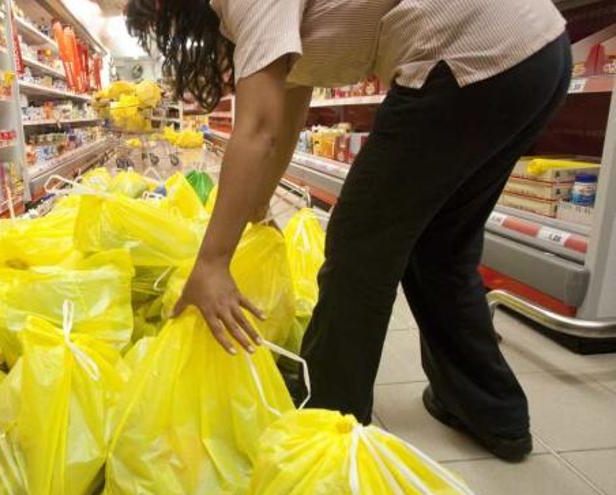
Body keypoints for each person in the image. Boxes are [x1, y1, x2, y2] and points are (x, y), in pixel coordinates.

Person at [126, 0, 569, 462]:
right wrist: (257, 206)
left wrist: (213, 262)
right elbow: (288, 109)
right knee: (440, 250)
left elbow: (258, 128)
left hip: (467, 55)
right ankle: (491, 411)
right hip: (536, 53)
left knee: (360, 244)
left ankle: (328, 415)